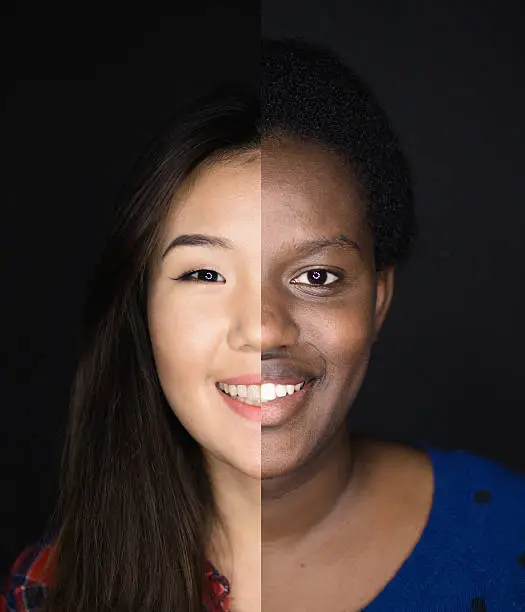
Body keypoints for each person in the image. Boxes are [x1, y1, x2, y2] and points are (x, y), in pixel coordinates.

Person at [2, 38, 525, 612]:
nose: (264, 329)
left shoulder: (509, 545)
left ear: (377, 301)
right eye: (204, 273)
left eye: (317, 277)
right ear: (143, 308)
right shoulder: (53, 589)